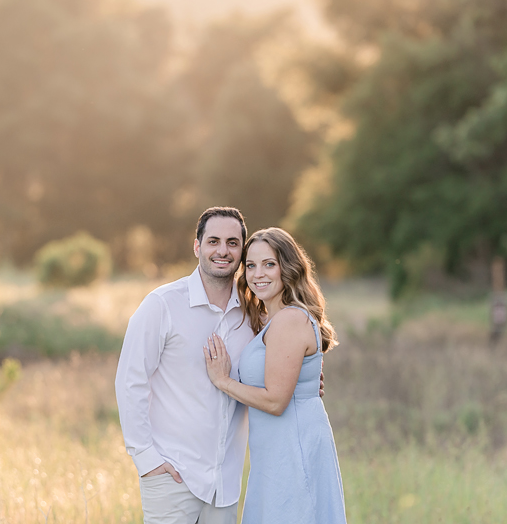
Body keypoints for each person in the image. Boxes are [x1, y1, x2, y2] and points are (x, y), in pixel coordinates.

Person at [115, 207, 256, 524]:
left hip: (226, 484)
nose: (223, 250)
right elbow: (130, 381)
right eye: (214, 241)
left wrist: (307, 376)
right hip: (172, 476)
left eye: (233, 243)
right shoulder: (162, 304)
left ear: (242, 251)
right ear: (197, 246)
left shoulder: (253, 313)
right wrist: (146, 458)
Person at [204, 227, 347, 524]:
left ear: (288, 267)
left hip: (292, 447)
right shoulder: (273, 319)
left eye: (269, 264)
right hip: (276, 449)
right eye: (251, 265)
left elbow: (276, 401)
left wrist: (223, 381)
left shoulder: (289, 319)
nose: (258, 274)